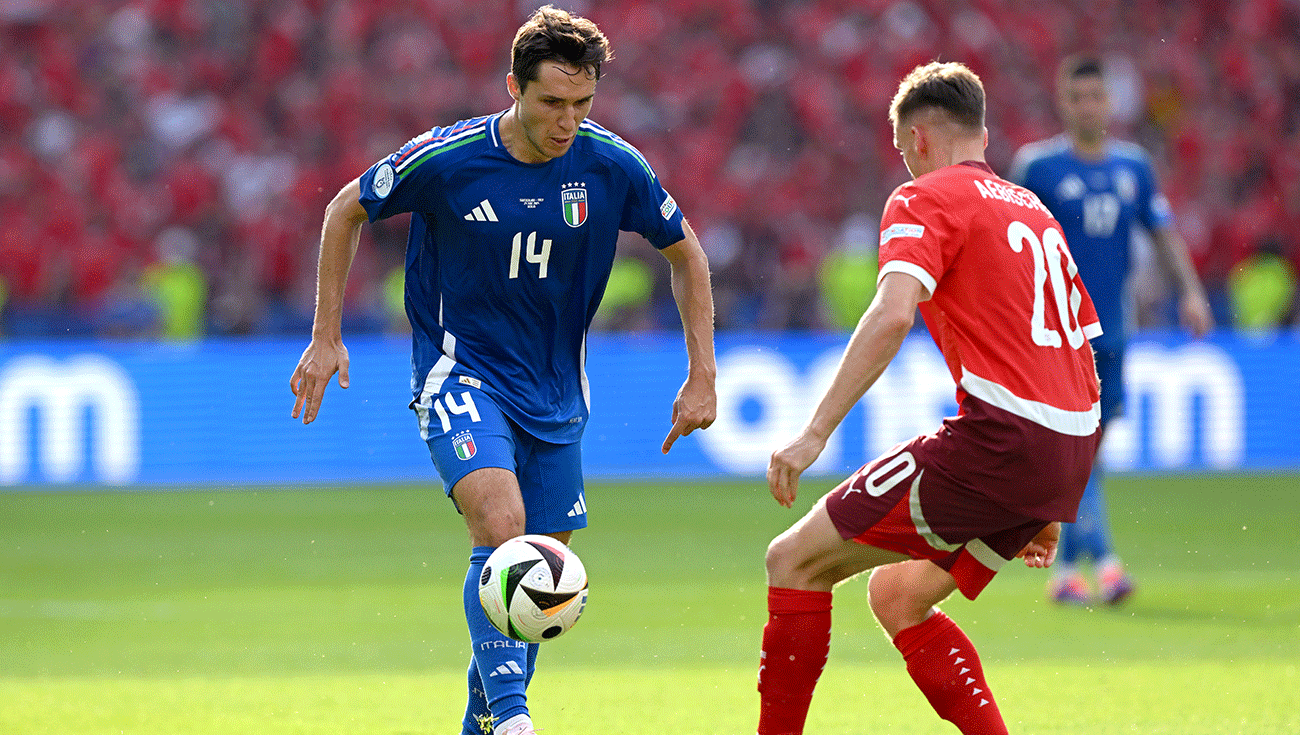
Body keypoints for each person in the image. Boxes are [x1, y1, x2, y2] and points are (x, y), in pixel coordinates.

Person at [288, 7, 717, 735]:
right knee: (502, 527)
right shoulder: (449, 157)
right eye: (552, 102)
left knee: (540, 576)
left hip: (556, 393)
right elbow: (344, 209)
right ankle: (517, 720)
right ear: (512, 87)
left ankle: (483, 724)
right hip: (461, 375)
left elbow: (686, 254)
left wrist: (701, 373)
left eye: (582, 105)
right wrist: (325, 335)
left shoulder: (612, 165)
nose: (567, 121)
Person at [756, 61, 1103, 735]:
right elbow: (1080, 350)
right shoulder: (1034, 212)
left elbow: (891, 314)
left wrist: (814, 433)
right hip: (1065, 447)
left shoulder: (926, 198)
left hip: (1002, 439)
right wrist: (1053, 491)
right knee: (898, 594)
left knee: (792, 560)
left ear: (917, 140)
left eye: (901, 153)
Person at [1009, 55, 1214, 606]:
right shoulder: (1038, 168)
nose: (1088, 106)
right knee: (1078, 453)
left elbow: (1164, 234)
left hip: (1114, 333)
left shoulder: (1134, 167)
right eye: (1078, 97)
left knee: (1089, 455)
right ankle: (1105, 564)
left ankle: (1068, 574)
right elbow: (1007, 244)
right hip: (1058, 335)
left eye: (1096, 97)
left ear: (1110, 102)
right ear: (1063, 102)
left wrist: (1191, 291)